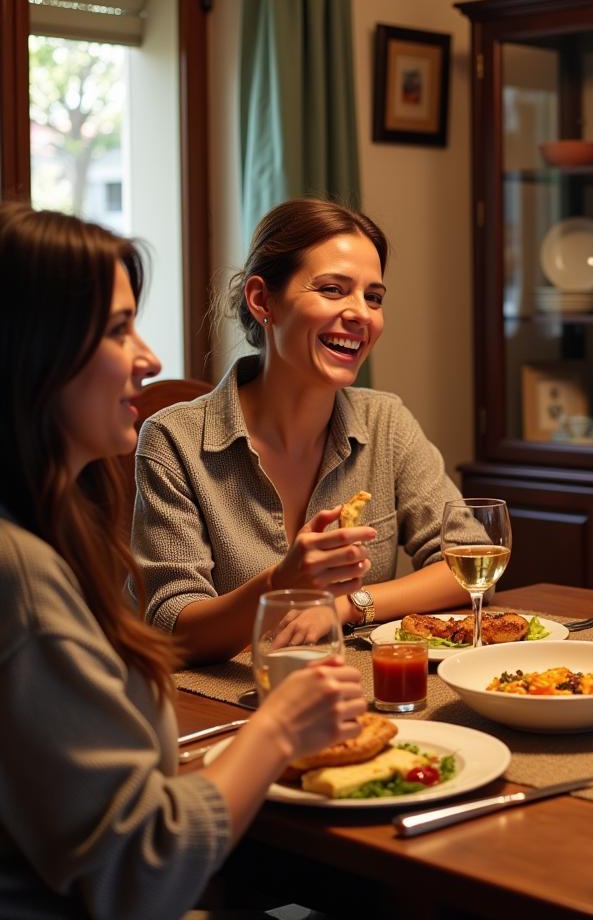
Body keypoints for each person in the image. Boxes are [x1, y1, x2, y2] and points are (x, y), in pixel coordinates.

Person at [0, 203, 366, 918]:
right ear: (29, 352)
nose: (152, 358)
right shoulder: (21, 579)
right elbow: (143, 874)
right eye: (116, 329)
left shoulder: (52, 532)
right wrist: (280, 725)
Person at [132, 198, 467, 664]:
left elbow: (468, 561)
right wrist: (283, 584)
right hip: (218, 708)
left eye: (373, 297)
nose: (361, 315)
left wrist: (347, 605)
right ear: (262, 300)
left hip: (355, 693)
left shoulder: (386, 422)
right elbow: (171, 630)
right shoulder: (174, 441)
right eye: (333, 289)